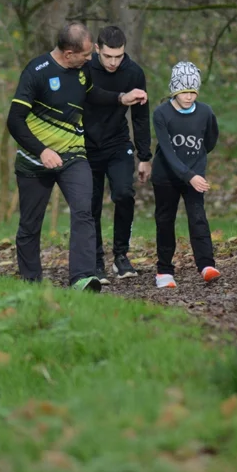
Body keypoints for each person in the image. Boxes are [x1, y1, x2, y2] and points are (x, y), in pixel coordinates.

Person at [7, 22, 148, 292]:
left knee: (84, 210)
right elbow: (15, 121)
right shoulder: (36, 72)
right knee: (30, 223)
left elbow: (92, 94)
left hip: (74, 154)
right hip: (35, 160)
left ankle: (82, 277)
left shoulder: (83, 70)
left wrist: (121, 98)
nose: (90, 59)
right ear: (68, 54)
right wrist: (42, 151)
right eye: (85, 55)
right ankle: (31, 281)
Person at [84, 25, 151, 282]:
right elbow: (88, 98)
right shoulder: (85, 69)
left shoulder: (133, 72)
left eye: (118, 56)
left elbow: (141, 117)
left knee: (124, 194)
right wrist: (120, 97)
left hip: (117, 142)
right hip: (86, 145)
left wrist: (144, 156)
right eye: (108, 56)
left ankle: (121, 255)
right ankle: (95, 260)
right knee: (91, 206)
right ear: (97, 49)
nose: (113, 62)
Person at [151, 62, 221, 289]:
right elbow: (168, 153)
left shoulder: (205, 112)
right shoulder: (161, 114)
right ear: (174, 90)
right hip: (166, 176)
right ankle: (164, 271)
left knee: (198, 217)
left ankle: (206, 265)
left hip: (194, 176)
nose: (189, 96)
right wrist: (188, 174)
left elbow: (209, 141)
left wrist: (195, 169)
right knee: (165, 221)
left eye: (193, 92)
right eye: (184, 92)